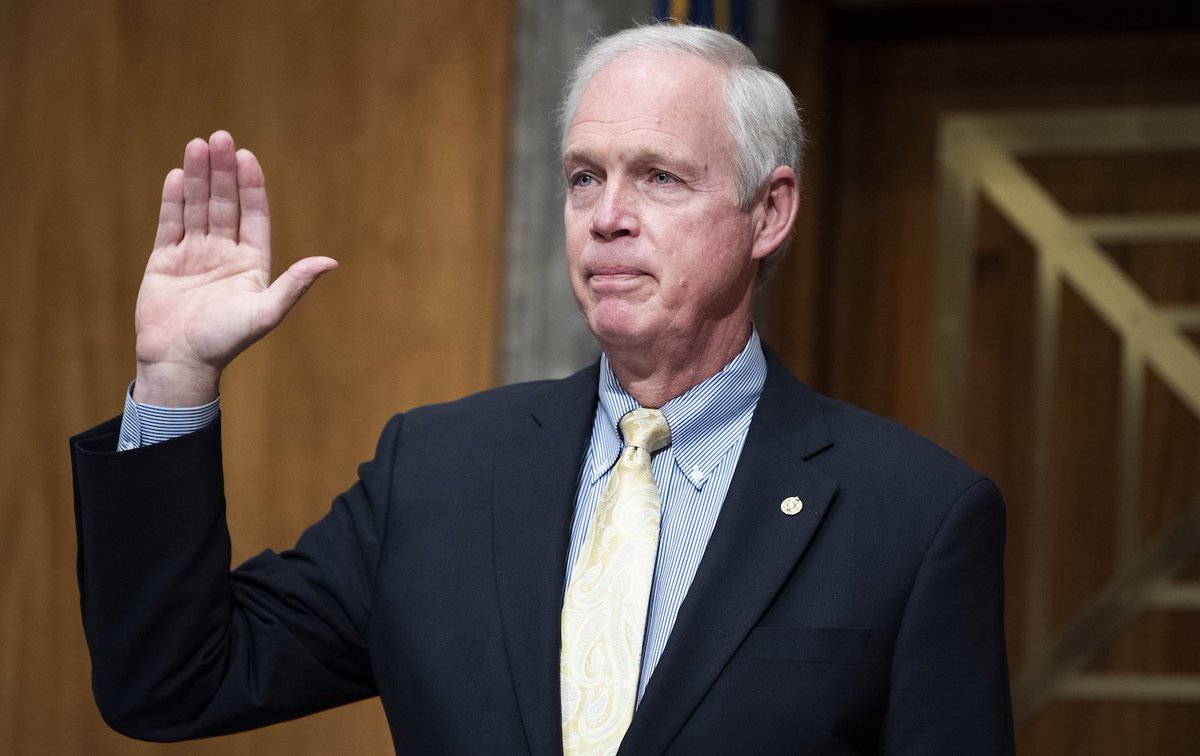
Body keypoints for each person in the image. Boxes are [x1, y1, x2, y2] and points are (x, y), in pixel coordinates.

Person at [70, 23, 1014, 755]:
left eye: (658, 178)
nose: (607, 218)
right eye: (583, 177)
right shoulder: (437, 473)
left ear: (768, 212)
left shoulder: (915, 517)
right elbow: (174, 681)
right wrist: (175, 379)